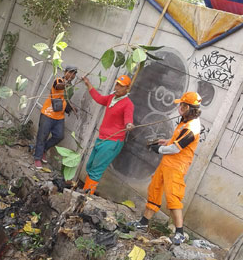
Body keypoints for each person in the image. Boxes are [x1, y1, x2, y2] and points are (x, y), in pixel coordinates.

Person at [127, 92, 202, 245]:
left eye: (181, 105)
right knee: (154, 188)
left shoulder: (192, 128)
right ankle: (143, 222)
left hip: (176, 166)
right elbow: (174, 141)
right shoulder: (184, 122)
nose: (179, 107)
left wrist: (158, 149)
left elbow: (176, 148)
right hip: (167, 163)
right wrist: (165, 141)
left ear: (187, 107)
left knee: (173, 197)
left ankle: (180, 233)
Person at [81, 75, 135, 195]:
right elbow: (99, 98)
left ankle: (85, 196)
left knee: (96, 170)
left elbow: (128, 120)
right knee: (90, 166)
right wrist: (88, 83)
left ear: (127, 88)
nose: (117, 87)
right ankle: (85, 192)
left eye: (121, 86)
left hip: (112, 141)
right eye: (117, 84)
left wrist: (129, 125)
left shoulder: (128, 104)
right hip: (102, 138)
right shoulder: (111, 98)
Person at [34, 65, 78, 169]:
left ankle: (43, 149)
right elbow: (58, 87)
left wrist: (72, 108)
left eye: (74, 73)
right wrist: (66, 84)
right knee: (42, 136)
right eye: (70, 72)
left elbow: (65, 100)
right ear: (65, 72)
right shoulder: (58, 81)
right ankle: (37, 158)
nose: (72, 75)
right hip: (48, 114)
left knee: (59, 136)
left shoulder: (70, 88)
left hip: (59, 117)